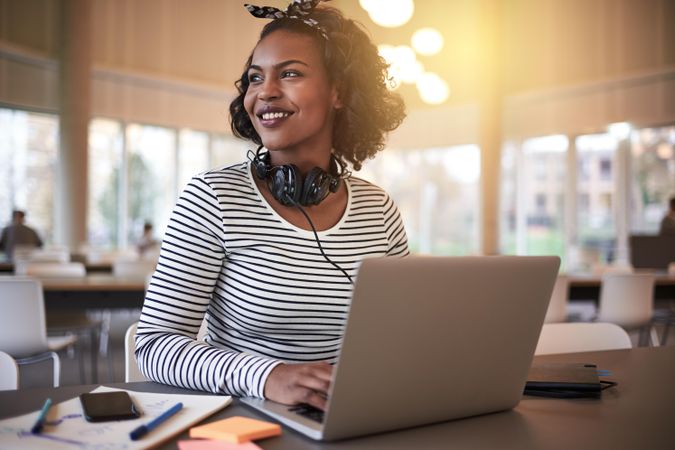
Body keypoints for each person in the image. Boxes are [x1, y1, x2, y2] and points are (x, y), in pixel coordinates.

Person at [135, 0, 408, 411]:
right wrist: (268, 376)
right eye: (255, 78)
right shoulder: (214, 196)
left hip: (354, 414)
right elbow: (155, 345)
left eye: (291, 73)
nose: (264, 92)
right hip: (247, 414)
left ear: (339, 92)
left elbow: (402, 334)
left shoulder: (378, 208)